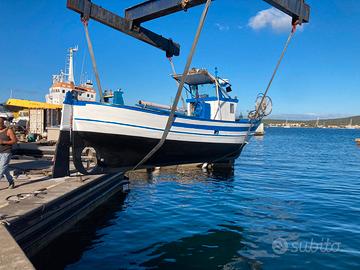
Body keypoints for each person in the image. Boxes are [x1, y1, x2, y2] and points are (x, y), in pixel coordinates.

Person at [0, 117, 17, 189]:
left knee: (1, 169)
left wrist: (3, 142)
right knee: (5, 169)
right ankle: (11, 181)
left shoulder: (8, 130)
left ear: (2, 123)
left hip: (6, 152)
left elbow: (15, 140)